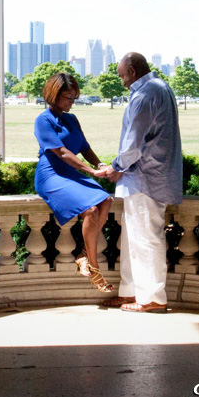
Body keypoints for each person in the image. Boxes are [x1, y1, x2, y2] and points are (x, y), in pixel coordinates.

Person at [96, 52, 183, 313]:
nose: (122, 81)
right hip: (146, 179)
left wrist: (115, 167)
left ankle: (153, 298)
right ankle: (132, 293)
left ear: (133, 71)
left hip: (146, 179)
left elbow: (133, 142)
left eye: (123, 75)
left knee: (146, 239)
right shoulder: (161, 87)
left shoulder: (146, 93)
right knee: (134, 239)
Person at [33, 72, 114, 293]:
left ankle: (83, 255)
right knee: (91, 210)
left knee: (106, 200)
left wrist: (99, 165)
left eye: (74, 98)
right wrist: (90, 171)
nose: (72, 102)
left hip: (70, 174)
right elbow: (62, 152)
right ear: (54, 95)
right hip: (51, 175)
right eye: (68, 98)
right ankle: (94, 271)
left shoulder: (72, 119)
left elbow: (85, 148)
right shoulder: (43, 120)